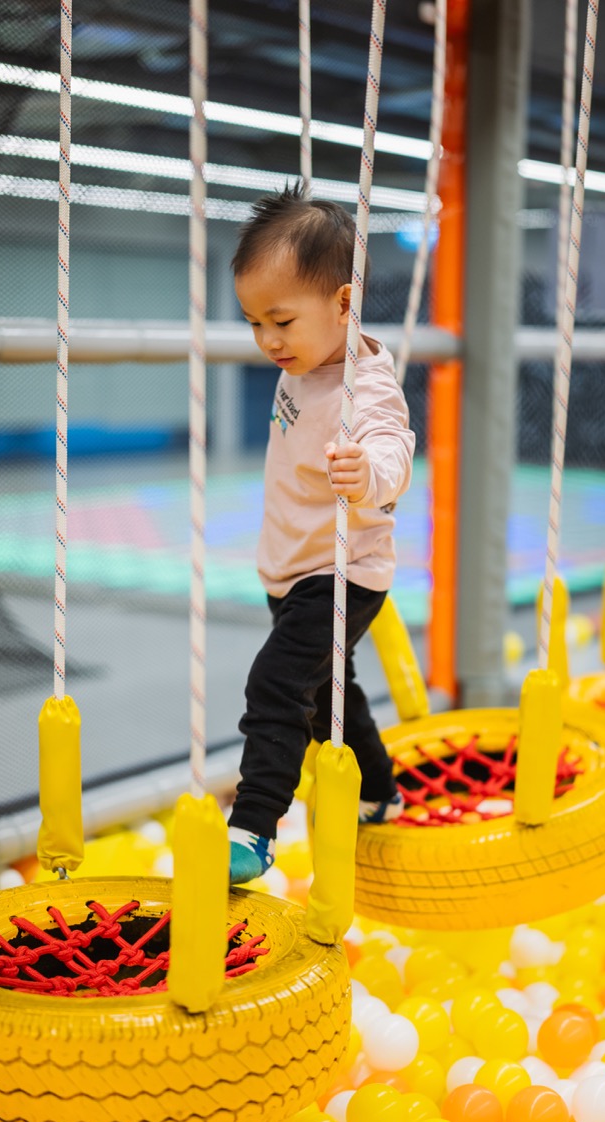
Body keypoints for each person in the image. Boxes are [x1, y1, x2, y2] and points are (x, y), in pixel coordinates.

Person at [225, 181, 416, 884]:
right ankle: (380, 791)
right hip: (291, 569)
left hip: (341, 573)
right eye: (255, 323)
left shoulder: (365, 386)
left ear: (343, 304)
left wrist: (368, 473)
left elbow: (394, 449)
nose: (269, 341)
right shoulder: (302, 363)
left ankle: (253, 825)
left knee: (276, 683)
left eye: (281, 320)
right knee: (332, 697)